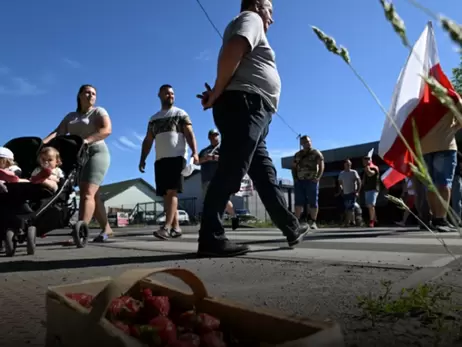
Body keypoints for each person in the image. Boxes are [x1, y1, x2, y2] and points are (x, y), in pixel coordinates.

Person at [196, 0, 309, 257]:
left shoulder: (252, 21)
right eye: (270, 10)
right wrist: (217, 91)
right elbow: (234, 49)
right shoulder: (251, 18)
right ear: (258, 5)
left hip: (253, 108)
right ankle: (211, 237)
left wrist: (218, 92)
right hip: (246, 105)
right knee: (232, 168)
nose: (272, 18)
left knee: (264, 174)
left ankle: (291, 226)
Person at [43, 84, 113, 242]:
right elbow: (58, 132)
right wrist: (42, 144)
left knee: (86, 193)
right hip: (78, 156)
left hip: (96, 152)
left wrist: (86, 141)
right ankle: (107, 229)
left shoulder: (98, 111)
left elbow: (106, 130)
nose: (91, 96)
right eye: (87, 92)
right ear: (80, 95)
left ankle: (80, 232)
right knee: (93, 195)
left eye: (94, 93)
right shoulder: (71, 116)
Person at [139, 84, 198, 240]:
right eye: (166, 93)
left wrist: (195, 152)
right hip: (160, 159)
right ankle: (176, 227)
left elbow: (189, 133)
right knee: (166, 195)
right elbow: (148, 140)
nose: (170, 96)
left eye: (172, 93)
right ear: (159, 95)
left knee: (172, 192)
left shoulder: (180, 113)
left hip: (177, 157)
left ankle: (165, 227)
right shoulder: (154, 119)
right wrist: (142, 158)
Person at [419, 107, 460, 232]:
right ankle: (440, 219)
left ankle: (436, 219)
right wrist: (453, 129)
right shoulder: (449, 96)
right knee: (442, 183)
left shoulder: (419, 99)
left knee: (432, 185)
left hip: (425, 147)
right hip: (444, 144)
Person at [198, 129, 239, 230]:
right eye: (212, 136)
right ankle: (211, 223)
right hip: (207, 179)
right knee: (208, 201)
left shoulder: (223, 148)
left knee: (223, 200)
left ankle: (234, 216)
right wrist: (205, 158)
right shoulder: (204, 151)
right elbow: (197, 161)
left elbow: (229, 159)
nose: (214, 137)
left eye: (216, 135)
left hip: (220, 178)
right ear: (209, 138)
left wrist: (214, 157)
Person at [292, 135, 324, 229]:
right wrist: (295, 178)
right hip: (300, 181)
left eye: (309, 141)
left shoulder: (316, 153)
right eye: (305, 142)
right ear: (302, 144)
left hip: (311, 180)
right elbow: (293, 167)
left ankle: (313, 222)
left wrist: (318, 177)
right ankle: (297, 221)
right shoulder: (298, 154)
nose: (308, 143)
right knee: (298, 201)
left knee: (313, 201)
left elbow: (321, 165)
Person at [338, 159, 361, 226]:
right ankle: (353, 221)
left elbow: (359, 181)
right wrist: (340, 191)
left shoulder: (354, 172)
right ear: (344, 165)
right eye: (347, 164)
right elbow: (340, 183)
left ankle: (348, 222)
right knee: (348, 207)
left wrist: (357, 191)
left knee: (350, 207)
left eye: (350, 164)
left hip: (352, 192)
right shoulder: (341, 173)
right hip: (345, 192)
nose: (349, 165)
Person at [362, 155, 380, 227]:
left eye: (367, 159)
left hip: (373, 189)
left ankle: (371, 221)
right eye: (364, 160)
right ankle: (375, 220)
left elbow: (371, 174)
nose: (365, 161)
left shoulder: (374, 167)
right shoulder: (365, 169)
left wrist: (368, 169)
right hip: (367, 189)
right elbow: (364, 180)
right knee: (370, 206)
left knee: (371, 205)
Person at [451, 151, 462, 226]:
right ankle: (457, 219)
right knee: (457, 199)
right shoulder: (456, 153)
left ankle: (457, 219)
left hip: (455, 176)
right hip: (456, 176)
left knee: (456, 200)